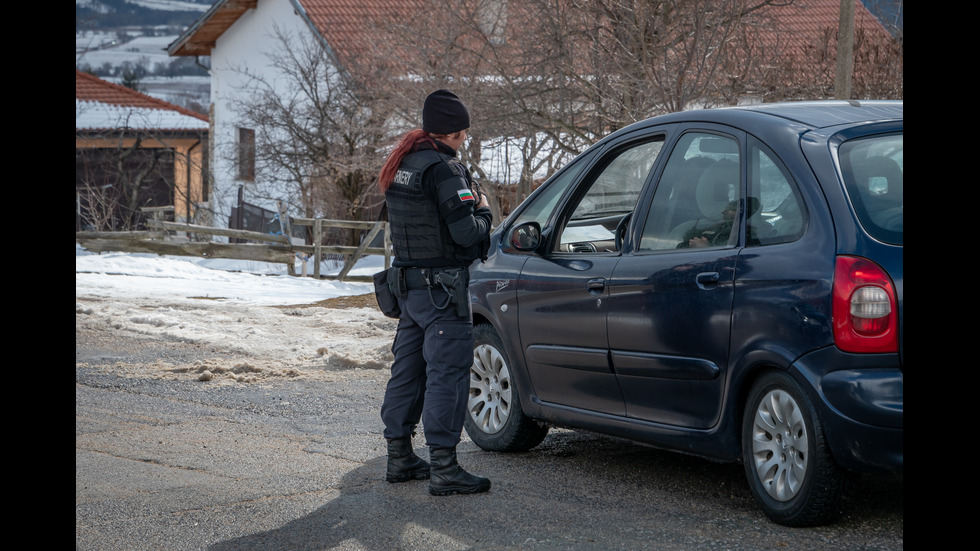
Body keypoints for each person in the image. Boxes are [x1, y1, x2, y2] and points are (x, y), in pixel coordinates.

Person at [376, 89, 493, 496]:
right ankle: (444, 467)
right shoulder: (444, 170)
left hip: (409, 292)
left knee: (408, 371)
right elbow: (467, 236)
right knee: (448, 375)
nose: (465, 140)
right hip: (443, 294)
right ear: (454, 133)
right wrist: (483, 210)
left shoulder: (402, 164)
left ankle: (399, 456)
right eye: (463, 134)